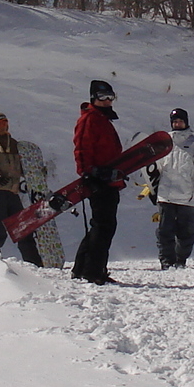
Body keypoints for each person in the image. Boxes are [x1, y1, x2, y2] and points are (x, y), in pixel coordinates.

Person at [70, 80, 124, 284]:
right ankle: (92, 272)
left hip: (109, 179)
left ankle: (83, 269)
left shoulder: (102, 119)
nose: (108, 101)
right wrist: (87, 173)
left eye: (111, 96)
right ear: (94, 98)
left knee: (101, 226)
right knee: (104, 226)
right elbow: (81, 148)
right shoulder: (90, 119)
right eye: (103, 97)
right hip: (98, 180)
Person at [0, 106, 43, 267]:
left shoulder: (15, 145)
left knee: (23, 228)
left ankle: (35, 264)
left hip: (12, 192)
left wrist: (36, 171)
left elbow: (23, 167)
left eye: (4, 124)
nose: (2, 128)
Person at [154, 108, 194, 270]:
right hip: (166, 195)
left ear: (186, 122)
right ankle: (166, 261)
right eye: (175, 122)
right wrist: (151, 188)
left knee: (186, 234)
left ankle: (180, 260)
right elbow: (156, 168)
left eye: (180, 121)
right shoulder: (165, 142)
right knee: (164, 232)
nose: (177, 124)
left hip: (188, 196)